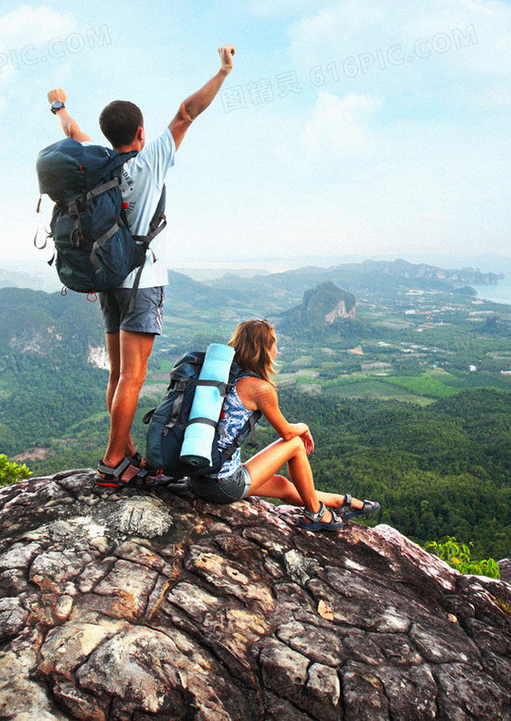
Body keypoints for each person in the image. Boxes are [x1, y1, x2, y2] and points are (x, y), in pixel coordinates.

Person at [46, 45, 235, 490]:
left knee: (117, 374)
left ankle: (124, 447)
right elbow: (188, 112)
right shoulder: (150, 160)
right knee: (134, 375)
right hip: (141, 282)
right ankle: (113, 461)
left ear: (108, 134)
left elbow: (73, 131)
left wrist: (59, 106)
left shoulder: (97, 164)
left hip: (108, 278)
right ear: (140, 131)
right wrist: (223, 70)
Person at [191, 318, 381, 531]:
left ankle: (341, 502)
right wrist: (304, 426)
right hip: (222, 484)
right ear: (263, 350)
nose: (277, 350)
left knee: (281, 485)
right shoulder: (259, 388)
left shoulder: (220, 377)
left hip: (199, 477)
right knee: (296, 445)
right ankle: (315, 514)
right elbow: (287, 432)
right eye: (275, 345)